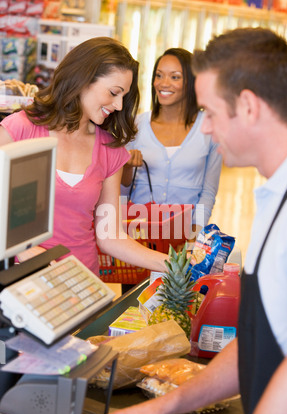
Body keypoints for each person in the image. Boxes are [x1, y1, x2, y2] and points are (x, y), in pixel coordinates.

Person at [87, 27, 287, 414]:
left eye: (210, 112)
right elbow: (260, 341)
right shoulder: (277, 195)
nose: (204, 130)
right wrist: (165, 406)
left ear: (249, 107)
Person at [0, 37, 168, 276]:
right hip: (22, 281)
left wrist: (172, 265)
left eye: (123, 96)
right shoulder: (21, 129)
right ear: (83, 80)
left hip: (82, 281)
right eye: (113, 92)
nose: (119, 105)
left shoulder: (110, 150)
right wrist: (23, 250)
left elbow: (110, 236)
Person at [121, 47, 222, 237]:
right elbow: (121, 190)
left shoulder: (209, 129)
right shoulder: (137, 125)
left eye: (175, 77)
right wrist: (126, 168)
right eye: (159, 75)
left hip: (182, 237)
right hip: (138, 235)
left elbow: (208, 193)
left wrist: (193, 235)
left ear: (191, 82)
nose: (163, 83)